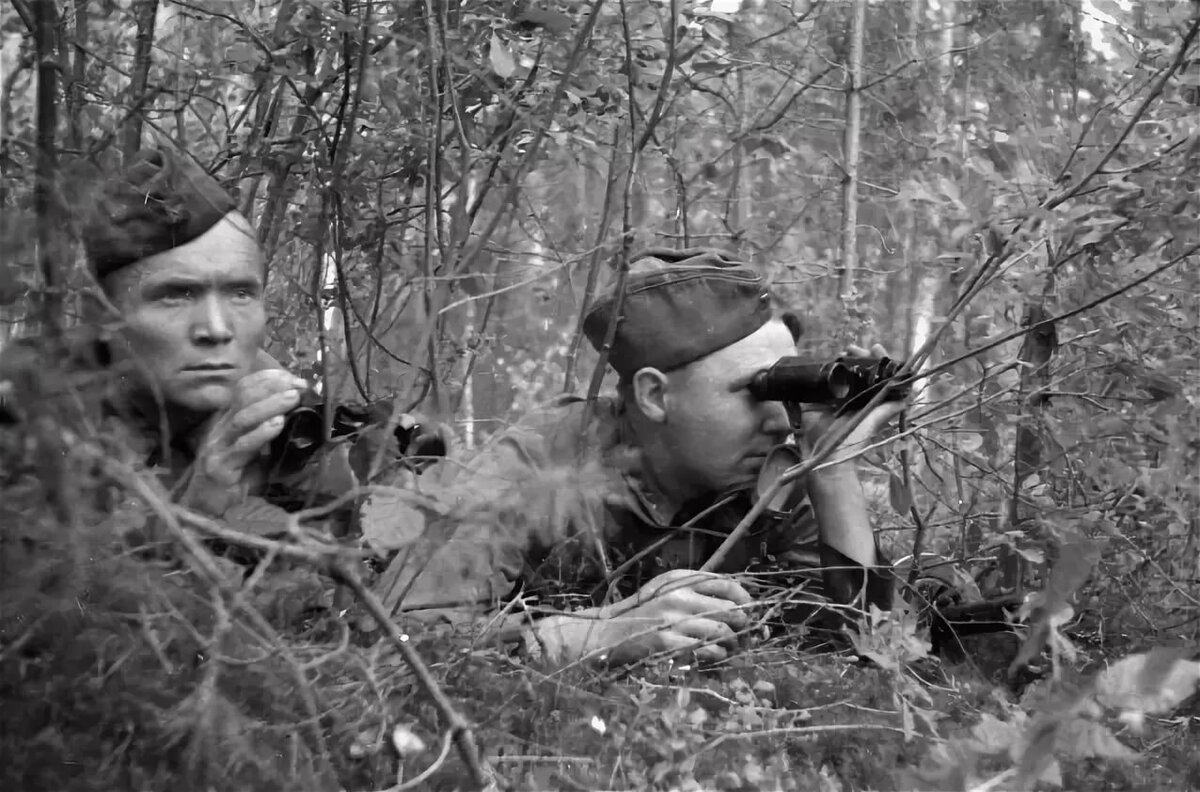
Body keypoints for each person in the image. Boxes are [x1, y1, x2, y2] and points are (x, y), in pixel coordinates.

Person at [379, 248, 905, 666]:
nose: (777, 419)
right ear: (654, 396)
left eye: (784, 389)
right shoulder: (543, 462)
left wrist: (831, 470)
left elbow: (876, 656)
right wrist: (596, 634)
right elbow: (394, 636)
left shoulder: (780, 471)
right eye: (753, 392)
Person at [0, 147, 442, 534]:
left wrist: (380, 478)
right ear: (101, 316)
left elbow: (340, 581)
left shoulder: (277, 409)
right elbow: (41, 608)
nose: (217, 328)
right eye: (175, 295)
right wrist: (198, 508)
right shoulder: (25, 409)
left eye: (240, 293)